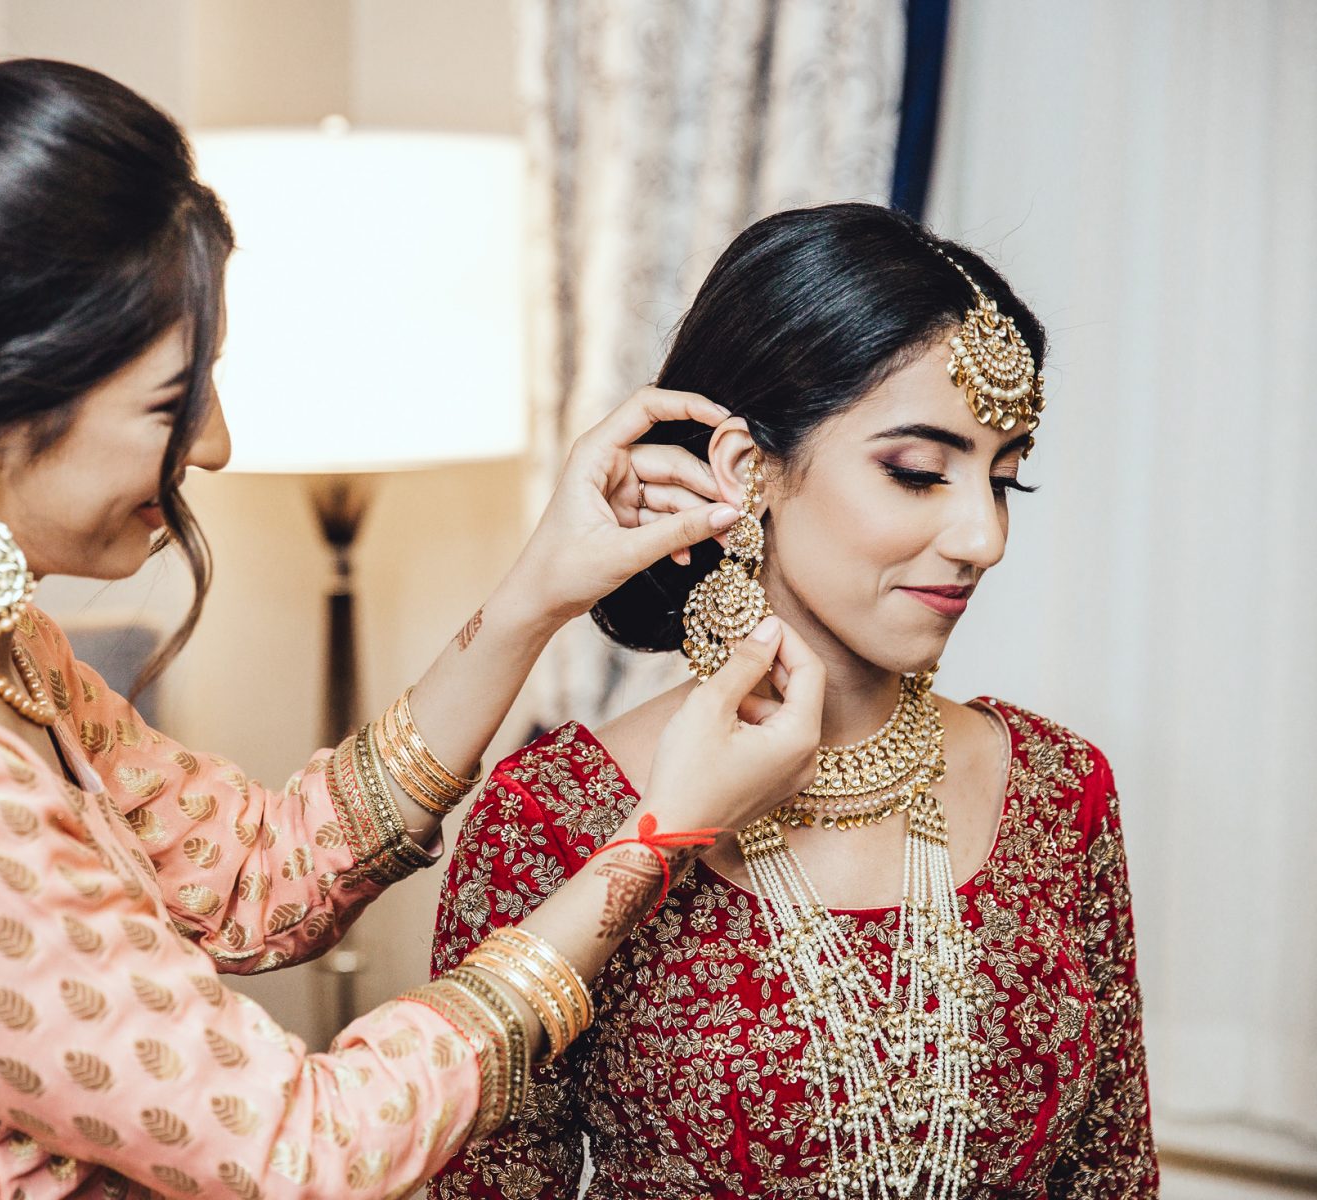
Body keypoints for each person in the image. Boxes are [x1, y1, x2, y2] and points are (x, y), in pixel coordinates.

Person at [0, 59, 826, 1198]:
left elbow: (255, 873)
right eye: (173, 405)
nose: (214, 445)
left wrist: (538, 589)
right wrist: (661, 836)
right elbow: (307, 1153)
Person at [431, 202, 1160, 1199]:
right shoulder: (555, 816)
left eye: (1005, 481)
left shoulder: (1057, 790)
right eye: (916, 472)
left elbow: (1113, 1173)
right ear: (750, 469)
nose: (983, 537)